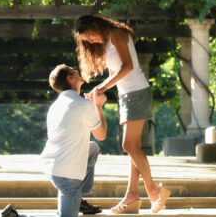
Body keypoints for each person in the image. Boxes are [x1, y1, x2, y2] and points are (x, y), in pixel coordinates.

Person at [72, 15, 171, 214]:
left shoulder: (117, 34)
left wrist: (102, 86)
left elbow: (128, 67)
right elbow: (115, 73)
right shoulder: (106, 41)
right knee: (132, 147)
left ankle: (153, 189)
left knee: (129, 145)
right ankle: (132, 196)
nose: (91, 41)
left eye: (90, 35)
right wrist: (101, 89)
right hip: (126, 95)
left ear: (96, 25)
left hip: (137, 93)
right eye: (86, 40)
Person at [41, 64, 107, 217]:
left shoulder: (55, 106)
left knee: (93, 148)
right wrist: (98, 106)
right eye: (74, 71)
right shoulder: (83, 104)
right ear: (70, 78)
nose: (78, 71)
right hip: (68, 175)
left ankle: (79, 200)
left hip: (53, 167)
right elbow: (101, 135)